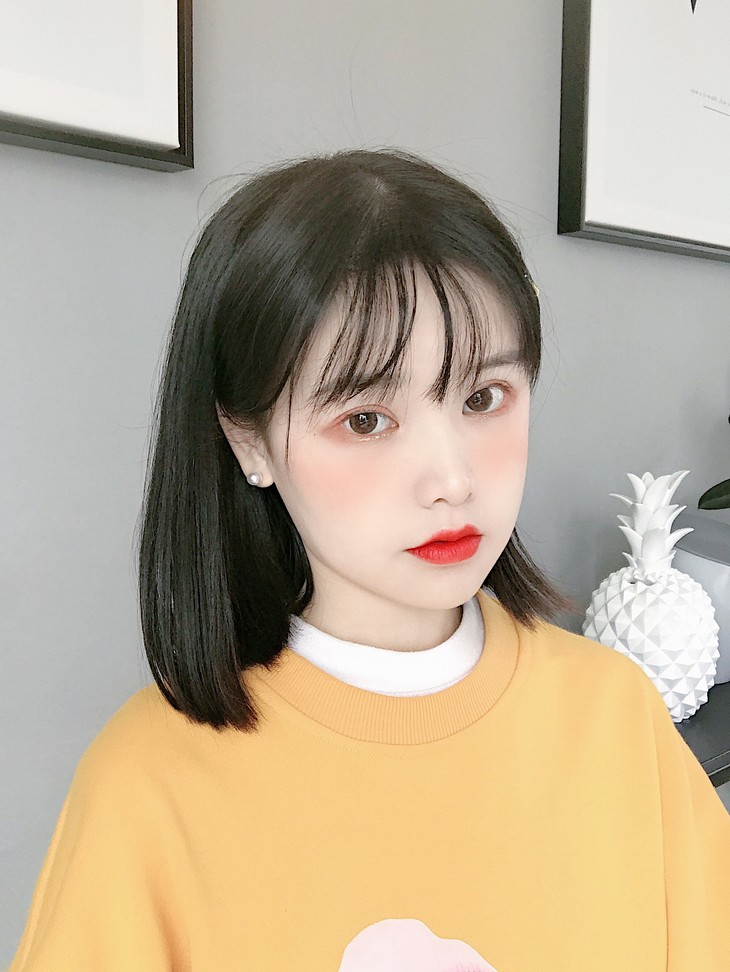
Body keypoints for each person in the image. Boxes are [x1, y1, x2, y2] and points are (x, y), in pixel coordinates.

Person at [9, 149, 730, 972]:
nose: (452, 479)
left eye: (483, 398)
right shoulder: (146, 781)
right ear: (249, 440)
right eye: (365, 420)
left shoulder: (616, 716)